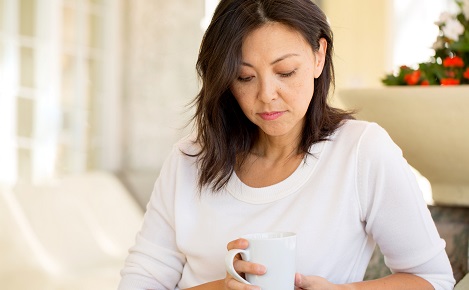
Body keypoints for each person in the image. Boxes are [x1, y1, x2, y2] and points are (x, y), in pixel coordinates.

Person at [118, 0, 455, 289]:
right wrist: (223, 287)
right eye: (244, 77)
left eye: (286, 71)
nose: (266, 95)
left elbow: (433, 279)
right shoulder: (190, 159)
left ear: (318, 57)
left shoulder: (361, 151)